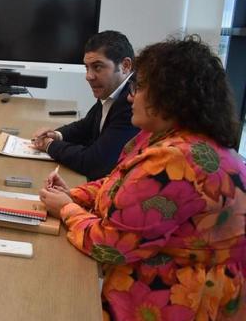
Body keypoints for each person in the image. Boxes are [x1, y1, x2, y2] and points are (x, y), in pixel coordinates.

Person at [39, 35, 246, 320]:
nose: (130, 95)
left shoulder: (177, 159)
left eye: (139, 86)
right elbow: (121, 184)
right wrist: (75, 195)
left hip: (182, 300)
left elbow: (111, 245)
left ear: (171, 95)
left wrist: (65, 208)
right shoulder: (164, 137)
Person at [31, 30, 139, 180]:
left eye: (97, 67)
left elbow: (95, 163)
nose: (88, 76)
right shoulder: (112, 88)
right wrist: (56, 135)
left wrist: (49, 145)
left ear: (125, 66)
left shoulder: (132, 102)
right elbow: (87, 126)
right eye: (86, 68)